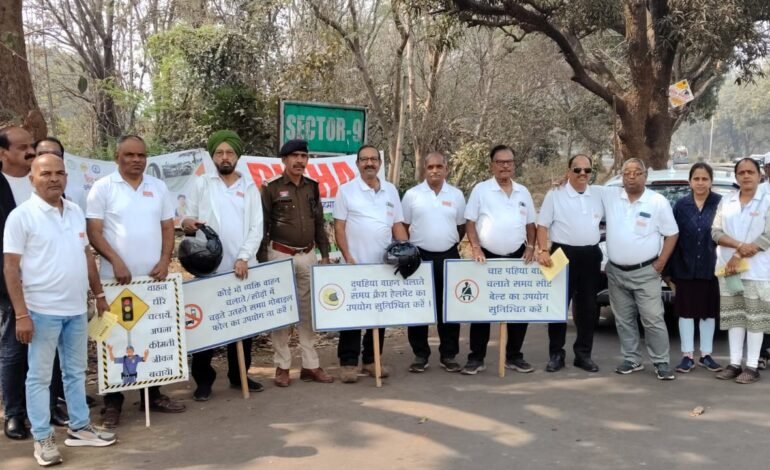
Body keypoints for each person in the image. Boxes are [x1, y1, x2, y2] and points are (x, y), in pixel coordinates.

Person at [4, 154, 116, 467]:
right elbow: (10, 268)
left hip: (76, 310)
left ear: (66, 177)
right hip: (40, 312)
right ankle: (42, 437)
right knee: (39, 377)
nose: (54, 179)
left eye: (59, 173)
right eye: (46, 174)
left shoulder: (76, 211)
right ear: (32, 179)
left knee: (75, 372)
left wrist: (99, 294)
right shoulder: (21, 217)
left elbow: (85, 255)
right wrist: (22, 314)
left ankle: (79, 427)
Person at [86, 135, 185, 428]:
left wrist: (165, 259)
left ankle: (152, 396)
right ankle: (113, 404)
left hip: (152, 281)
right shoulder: (102, 188)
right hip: (114, 282)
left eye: (141, 155)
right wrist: (115, 260)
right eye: (129, 154)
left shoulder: (158, 187)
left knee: (149, 337)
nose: (136, 160)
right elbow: (93, 231)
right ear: (118, 156)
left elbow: (168, 226)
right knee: (114, 340)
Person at [181, 130, 265, 400]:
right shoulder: (202, 184)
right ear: (212, 156)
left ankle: (239, 374)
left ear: (238, 156)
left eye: (230, 152)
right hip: (209, 268)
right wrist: (186, 223)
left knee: (242, 325)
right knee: (207, 326)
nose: (225, 157)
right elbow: (188, 217)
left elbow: (256, 227)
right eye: (219, 152)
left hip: (242, 266)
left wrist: (243, 256)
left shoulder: (249, 187)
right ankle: (203, 380)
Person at [259, 138, 333, 387]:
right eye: (295, 156)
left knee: (307, 311)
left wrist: (324, 253)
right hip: (280, 255)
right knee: (282, 311)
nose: (300, 160)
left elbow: (319, 222)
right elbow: (263, 226)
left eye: (304, 156)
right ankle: (282, 366)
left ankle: (311, 365)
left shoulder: (312, 186)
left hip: (308, 255)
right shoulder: (270, 188)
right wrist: (262, 262)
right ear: (284, 160)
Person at [333, 145, 408, 383]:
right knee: (353, 316)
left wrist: (407, 250)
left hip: (384, 265)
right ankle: (348, 363)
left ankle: (371, 360)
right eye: (364, 159)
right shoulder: (346, 191)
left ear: (379, 163)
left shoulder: (390, 191)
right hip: (355, 264)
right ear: (357, 164)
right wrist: (347, 255)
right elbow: (339, 227)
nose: (369, 163)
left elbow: (397, 225)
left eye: (373, 159)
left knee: (379, 315)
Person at [601, 158, 678, 380]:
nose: (631, 176)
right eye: (627, 173)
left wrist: (661, 261)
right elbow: (582, 185)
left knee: (653, 318)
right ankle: (632, 359)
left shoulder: (657, 201)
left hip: (646, 272)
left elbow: (672, 234)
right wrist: (564, 179)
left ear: (645, 175)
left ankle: (661, 362)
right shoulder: (610, 196)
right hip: (616, 272)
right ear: (621, 176)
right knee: (623, 319)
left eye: (636, 172)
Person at [463, 145, 537, 375]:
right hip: (487, 256)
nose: (505, 166)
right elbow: (470, 223)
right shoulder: (481, 190)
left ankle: (514, 356)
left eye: (509, 162)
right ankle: (476, 358)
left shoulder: (523, 192)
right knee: (483, 310)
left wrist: (531, 247)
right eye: (500, 161)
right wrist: (475, 247)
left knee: (517, 308)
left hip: (517, 257)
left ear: (514, 165)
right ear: (491, 165)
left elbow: (531, 225)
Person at [536, 154, 603, 372]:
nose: (582, 174)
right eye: (577, 170)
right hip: (562, 254)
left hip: (590, 255)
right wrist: (543, 249)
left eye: (587, 170)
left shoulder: (600, 194)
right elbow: (543, 225)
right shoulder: (555, 194)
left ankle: (583, 355)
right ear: (568, 171)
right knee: (558, 306)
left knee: (588, 308)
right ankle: (556, 354)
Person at [400, 152, 466, 373]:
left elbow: (461, 226)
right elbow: (403, 225)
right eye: (430, 167)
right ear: (424, 170)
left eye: (439, 166)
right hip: (419, 257)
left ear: (446, 169)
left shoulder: (456, 195)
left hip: (448, 256)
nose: (435, 170)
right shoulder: (411, 195)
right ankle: (420, 355)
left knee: (448, 307)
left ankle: (448, 354)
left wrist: (446, 241)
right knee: (419, 306)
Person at [711, 157, 770, 384]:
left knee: (754, 318)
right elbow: (715, 232)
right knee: (735, 316)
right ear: (736, 177)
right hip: (729, 269)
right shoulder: (727, 200)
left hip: (757, 269)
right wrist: (738, 247)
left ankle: (752, 366)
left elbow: (767, 235)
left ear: (759, 175)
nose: (746, 176)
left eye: (750, 172)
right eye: (741, 172)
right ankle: (735, 363)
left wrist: (740, 253)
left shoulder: (766, 200)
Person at [667, 163, 723, 374]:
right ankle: (687, 356)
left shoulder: (721, 203)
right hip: (685, 268)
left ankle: (706, 355)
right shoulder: (681, 206)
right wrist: (669, 272)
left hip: (712, 268)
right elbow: (672, 236)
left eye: (704, 179)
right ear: (690, 182)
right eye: (696, 179)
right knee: (686, 313)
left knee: (708, 313)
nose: (700, 183)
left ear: (711, 181)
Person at [0, 126, 37, 439]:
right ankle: (14, 414)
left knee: (48, 346)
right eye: (23, 147)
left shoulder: (42, 181)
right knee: (14, 349)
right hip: (10, 283)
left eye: (32, 146)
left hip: (48, 282)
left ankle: (50, 406)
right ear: (3, 153)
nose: (31, 151)